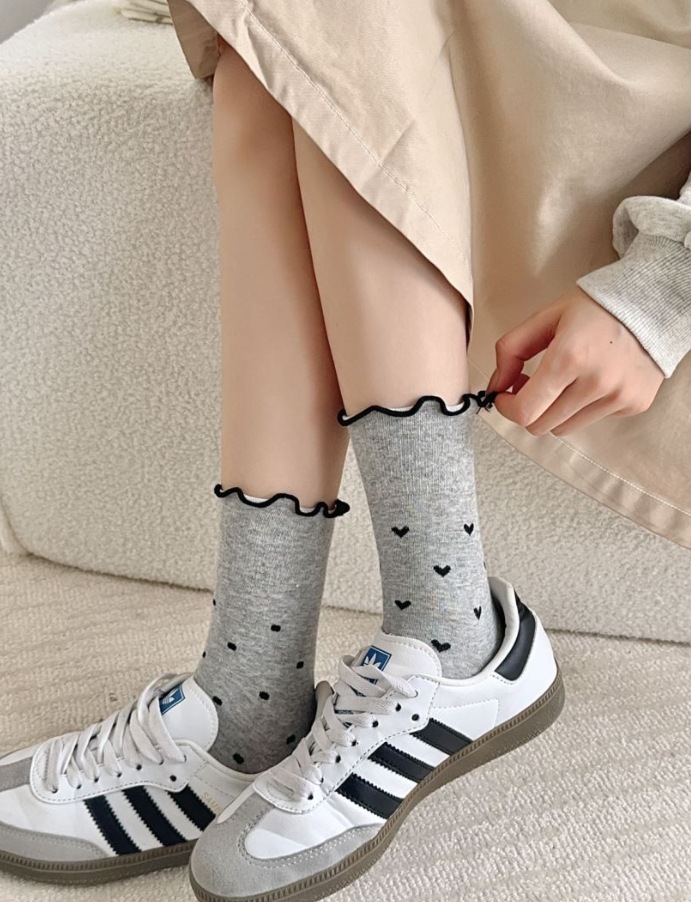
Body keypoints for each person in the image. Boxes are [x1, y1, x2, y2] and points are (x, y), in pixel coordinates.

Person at [0, 4, 689, 900]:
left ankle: (443, 630)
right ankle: (251, 690)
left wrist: (664, 285)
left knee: (328, 25)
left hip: (614, 76)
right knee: (272, 59)